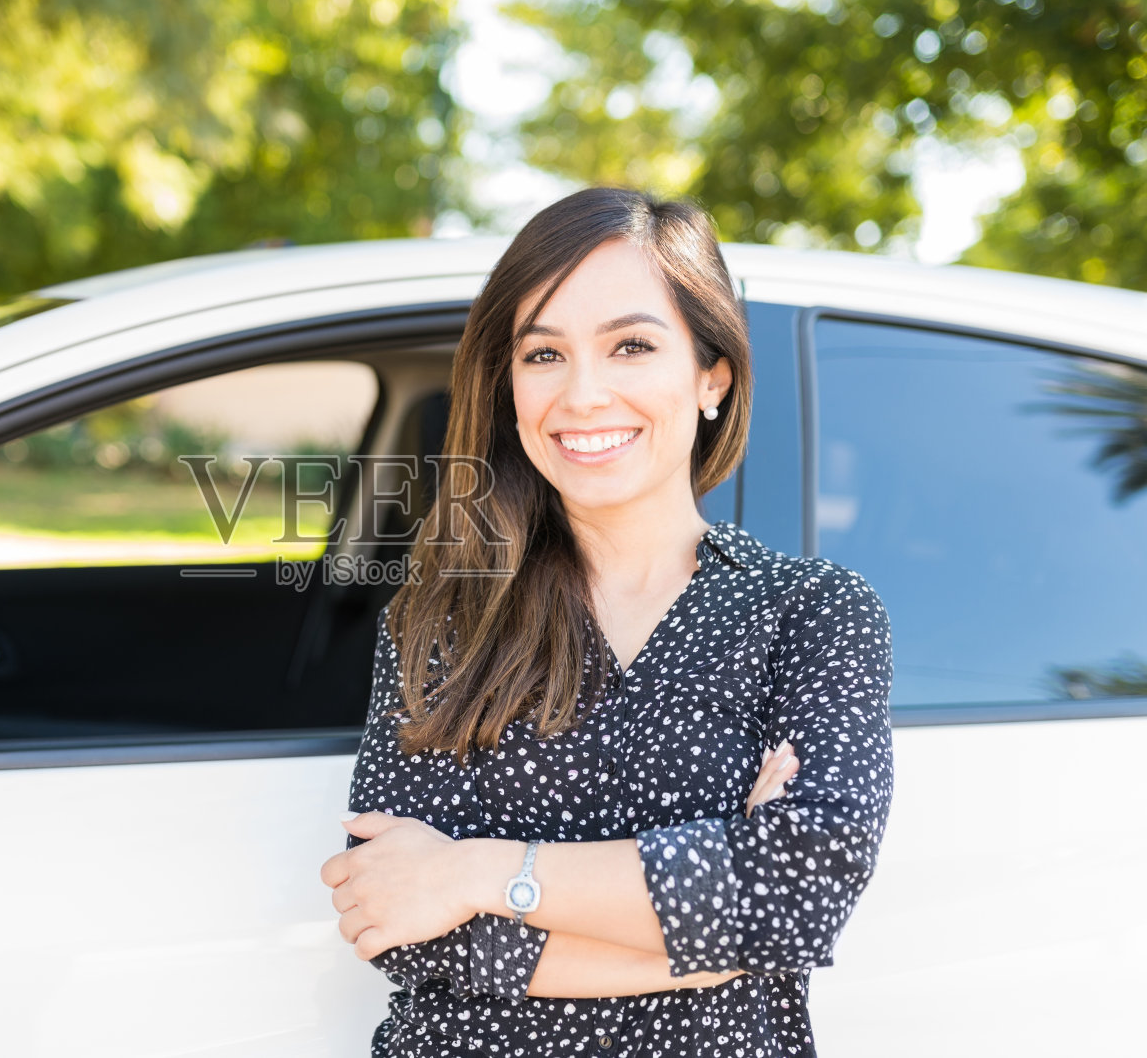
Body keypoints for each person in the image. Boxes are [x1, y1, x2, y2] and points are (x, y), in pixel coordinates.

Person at [318, 186, 894, 1057]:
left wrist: (472, 871)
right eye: (543, 354)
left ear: (713, 375)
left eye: (631, 345)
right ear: (508, 386)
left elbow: (796, 893)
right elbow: (395, 918)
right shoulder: (443, 611)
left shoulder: (813, 613)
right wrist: (713, 947)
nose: (583, 395)